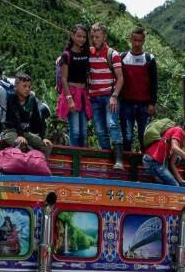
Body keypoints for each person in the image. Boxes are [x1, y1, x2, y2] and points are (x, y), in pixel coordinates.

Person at [87, 22, 125, 168]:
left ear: (104, 37)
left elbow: (120, 78)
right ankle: (106, 158)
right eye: (92, 37)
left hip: (109, 96)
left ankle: (119, 159)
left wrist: (114, 96)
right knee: (99, 129)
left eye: (97, 37)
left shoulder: (112, 54)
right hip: (94, 98)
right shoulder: (89, 53)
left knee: (112, 124)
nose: (94, 39)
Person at [119, 27, 158, 152]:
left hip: (144, 105)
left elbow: (154, 82)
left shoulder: (149, 59)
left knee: (144, 136)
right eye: (134, 40)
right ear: (130, 39)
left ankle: (144, 165)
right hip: (126, 104)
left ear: (143, 41)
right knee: (127, 136)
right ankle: (126, 164)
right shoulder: (122, 57)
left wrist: (152, 103)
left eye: (139, 41)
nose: (137, 43)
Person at [1, 72, 53, 156]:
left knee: (47, 146)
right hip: (10, 131)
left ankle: (39, 166)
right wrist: (20, 136)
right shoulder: (11, 98)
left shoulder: (32, 99)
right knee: (21, 145)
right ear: (16, 86)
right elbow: (16, 117)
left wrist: (43, 137)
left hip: (25, 132)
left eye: (29, 86)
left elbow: (38, 119)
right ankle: (24, 164)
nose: (27, 89)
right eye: (24, 86)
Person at [58, 24, 92, 148]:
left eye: (84, 37)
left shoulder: (86, 53)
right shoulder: (67, 55)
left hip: (83, 94)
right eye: (78, 36)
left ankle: (81, 157)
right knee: (75, 130)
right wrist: (69, 99)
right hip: (72, 93)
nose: (81, 39)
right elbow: (63, 78)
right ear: (72, 36)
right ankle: (74, 158)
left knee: (83, 132)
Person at [142, 119, 185, 187]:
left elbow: (172, 163)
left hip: (159, 163)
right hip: (153, 161)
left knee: (171, 184)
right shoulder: (178, 130)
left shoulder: (181, 141)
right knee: (174, 186)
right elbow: (174, 147)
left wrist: (181, 181)